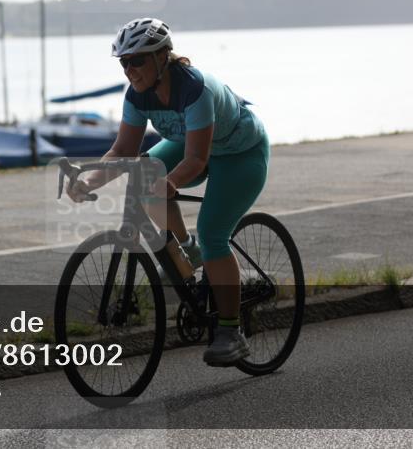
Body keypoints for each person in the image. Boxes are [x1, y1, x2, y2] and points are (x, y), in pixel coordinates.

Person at [66, 18, 269, 366]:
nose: (129, 70)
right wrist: (88, 181)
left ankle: (230, 331)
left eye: (137, 60)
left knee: (213, 234)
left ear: (162, 56)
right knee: (146, 177)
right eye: (124, 62)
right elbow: (123, 150)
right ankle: (188, 251)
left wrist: (170, 182)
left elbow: (196, 159)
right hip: (191, 145)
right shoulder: (137, 94)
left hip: (240, 154)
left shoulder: (194, 89)